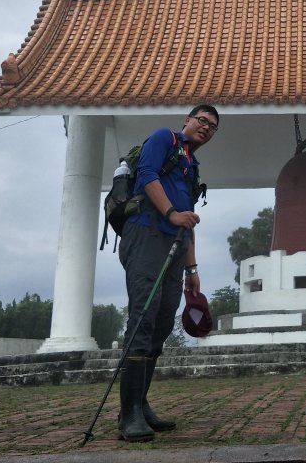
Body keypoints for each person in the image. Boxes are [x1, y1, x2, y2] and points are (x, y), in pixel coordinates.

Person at [117, 104, 219, 442]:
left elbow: (188, 219)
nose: (205, 127)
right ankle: (128, 413)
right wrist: (172, 212)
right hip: (146, 232)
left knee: (161, 323)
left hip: (175, 247)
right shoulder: (164, 138)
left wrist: (192, 268)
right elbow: (146, 175)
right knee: (143, 319)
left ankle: (141, 404)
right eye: (201, 120)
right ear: (187, 121)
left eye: (212, 127)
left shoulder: (193, 167)